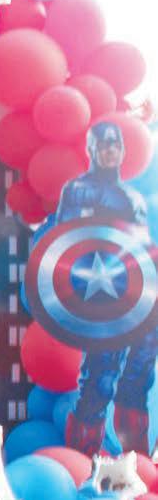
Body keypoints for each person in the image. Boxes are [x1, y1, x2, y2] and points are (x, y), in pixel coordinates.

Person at [57, 120, 158, 455]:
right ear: (92, 149)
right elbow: (65, 244)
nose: (111, 150)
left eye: (116, 144)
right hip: (100, 296)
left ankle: (135, 464)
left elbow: (142, 252)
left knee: (139, 378)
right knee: (100, 381)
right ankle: (82, 463)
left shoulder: (134, 198)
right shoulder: (77, 190)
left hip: (139, 298)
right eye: (104, 143)